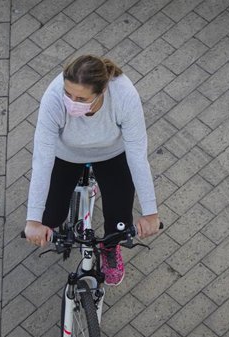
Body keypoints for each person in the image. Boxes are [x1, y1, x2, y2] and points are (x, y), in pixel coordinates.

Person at [24, 54, 160, 286]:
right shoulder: (53, 98)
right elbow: (43, 159)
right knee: (50, 218)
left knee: (119, 224)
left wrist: (150, 212)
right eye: (68, 94)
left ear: (103, 91)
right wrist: (34, 219)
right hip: (65, 155)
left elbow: (137, 155)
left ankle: (109, 249)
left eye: (81, 98)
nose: (71, 102)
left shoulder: (125, 95)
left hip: (111, 154)